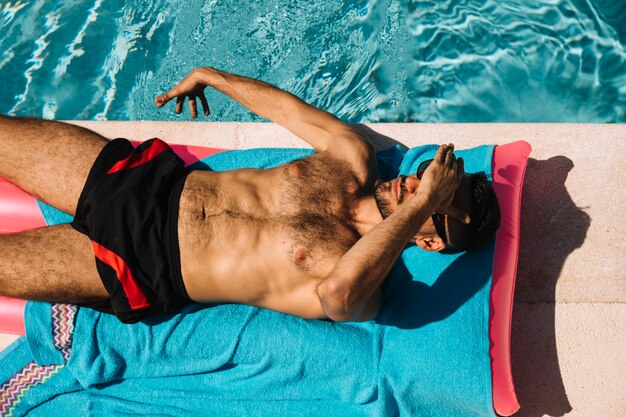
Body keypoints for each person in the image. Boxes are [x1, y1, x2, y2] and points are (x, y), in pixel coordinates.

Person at [0, 66, 500, 324]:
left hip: (145, 260)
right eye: (427, 176)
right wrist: (213, 77)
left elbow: (336, 295)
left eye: (436, 195)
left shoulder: (364, 287)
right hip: (144, 181)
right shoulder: (353, 157)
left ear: (432, 239)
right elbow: (288, 110)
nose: (414, 182)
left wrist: (420, 205)